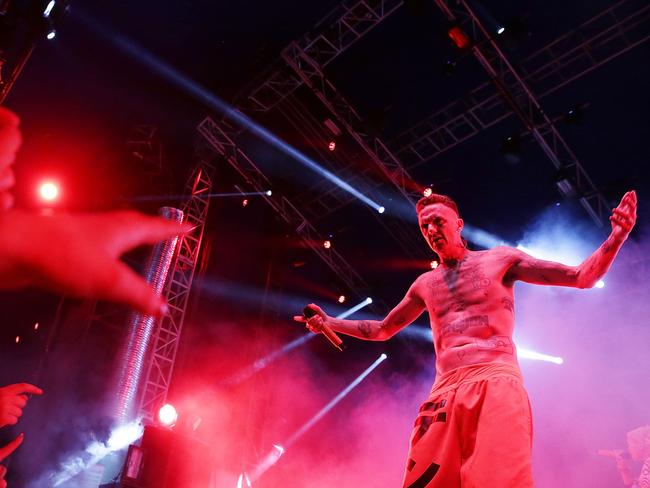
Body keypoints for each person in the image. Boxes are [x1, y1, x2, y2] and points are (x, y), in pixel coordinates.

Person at [295, 190, 637, 487]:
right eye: (424, 226)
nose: (431, 230)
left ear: (458, 224)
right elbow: (384, 328)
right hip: (444, 391)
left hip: (494, 378)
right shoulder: (424, 285)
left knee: (498, 479)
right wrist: (331, 322)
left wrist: (617, 237)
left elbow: (580, 277)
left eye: (437, 221)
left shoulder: (500, 260)